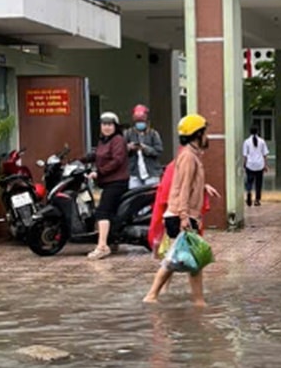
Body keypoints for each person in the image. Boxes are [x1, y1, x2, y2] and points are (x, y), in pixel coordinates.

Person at [143, 114, 219, 306]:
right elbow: (183, 187)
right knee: (191, 260)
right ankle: (197, 301)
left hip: (180, 214)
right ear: (197, 134)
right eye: (205, 132)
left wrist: (203, 187)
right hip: (181, 215)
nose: (207, 136)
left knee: (178, 259)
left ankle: (155, 295)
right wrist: (185, 216)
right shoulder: (188, 157)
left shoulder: (190, 155)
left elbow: (185, 184)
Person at [87, 111, 128, 260]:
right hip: (107, 181)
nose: (107, 127)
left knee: (103, 212)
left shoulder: (118, 140)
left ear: (115, 126)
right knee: (109, 213)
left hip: (117, 182)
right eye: (104, 124)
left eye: (110, 124)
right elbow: (96, 155)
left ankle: (102, 246)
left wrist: (99, 172)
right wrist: (78, 160)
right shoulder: (103, 141)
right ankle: (112, 240)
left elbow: (117, 161)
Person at [124, 104, 163, 190]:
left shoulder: (153, 134)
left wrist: (145, 148)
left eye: (142, 121)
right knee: (134, 199)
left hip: (151, 172)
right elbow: (121, 151)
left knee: (150, 198)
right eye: (138, 121)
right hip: (134, 173)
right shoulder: (128, 133)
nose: (140, 124)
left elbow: (158, 151)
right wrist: (129, 147)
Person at [242, 123, 269, 207]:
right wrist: (265, 165)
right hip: (259, 165)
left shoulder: (246, 142)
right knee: (258, 183)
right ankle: (257, 200)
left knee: (249, 181)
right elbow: (265, 154)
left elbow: (245, 155)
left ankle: (249, 192)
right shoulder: (262, 141)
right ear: (258, 131)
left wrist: (244, 164)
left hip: (250, 165)